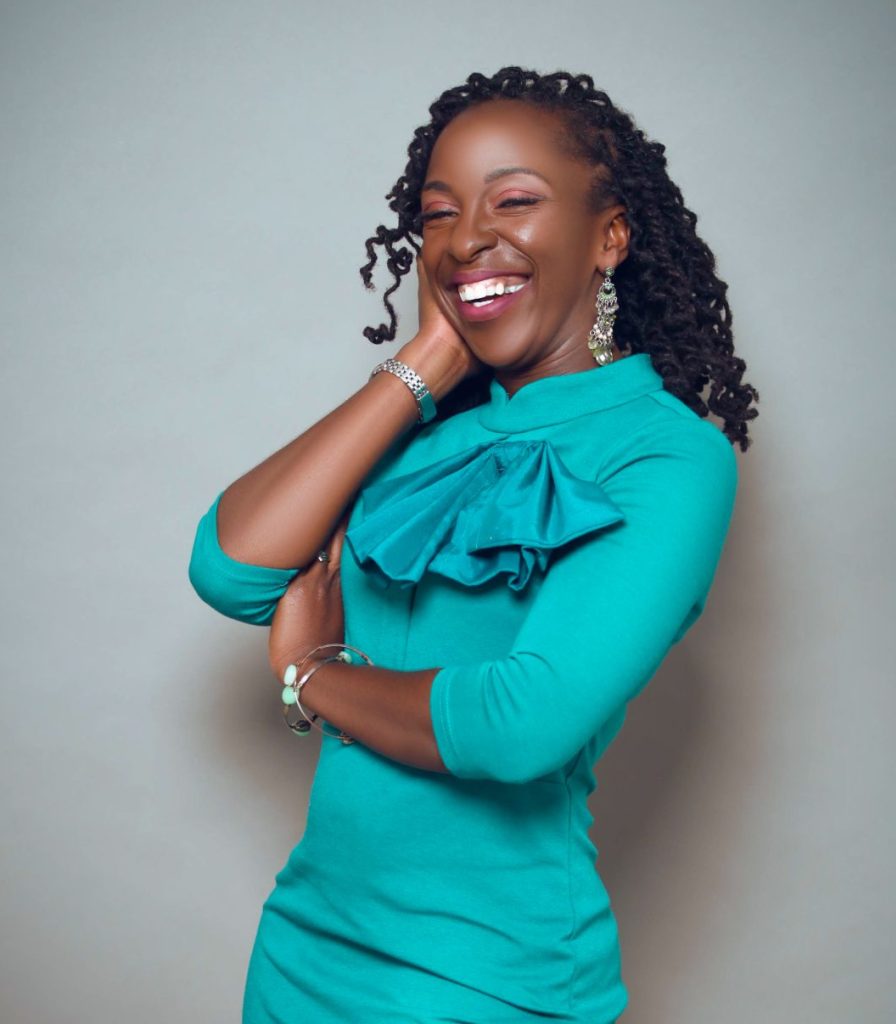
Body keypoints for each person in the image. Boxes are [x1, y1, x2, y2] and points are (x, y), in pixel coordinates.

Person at [188, 66, 759, 1024]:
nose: (468, 239)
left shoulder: (668, 455)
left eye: (516, 201)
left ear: (610, 235)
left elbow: (518, 724)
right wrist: (424, 364)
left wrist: (311, 675)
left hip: (489, 983)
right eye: (442, 213)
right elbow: (231, 568)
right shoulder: (424, 439)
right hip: (304, 958)